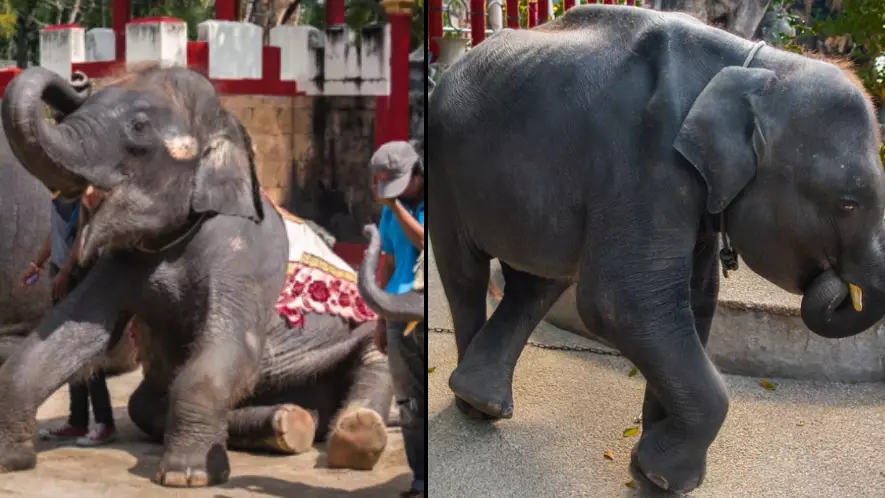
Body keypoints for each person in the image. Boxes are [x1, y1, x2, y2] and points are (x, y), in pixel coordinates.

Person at [19, 187, 117, 446]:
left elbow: (83, 235)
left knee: (85, 348)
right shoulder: (58, 192)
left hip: (81, 273)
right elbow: (56, 232)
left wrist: (66, 271)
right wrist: (37, 264)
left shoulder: (84, 193)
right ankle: (78, 420)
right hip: (61, 273)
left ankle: (105, 423)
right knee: (67, 348)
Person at [368, 140, 426, 498]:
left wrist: (396, 207)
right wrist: (380, 318)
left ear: (419, 173)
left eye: (403, 184)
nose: (397, 194)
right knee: (408, 401)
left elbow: (426, 244)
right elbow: (388, 263)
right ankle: (420, 478)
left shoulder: (439, 200)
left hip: (427, 308)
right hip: (398, 311)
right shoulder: (391, 210)